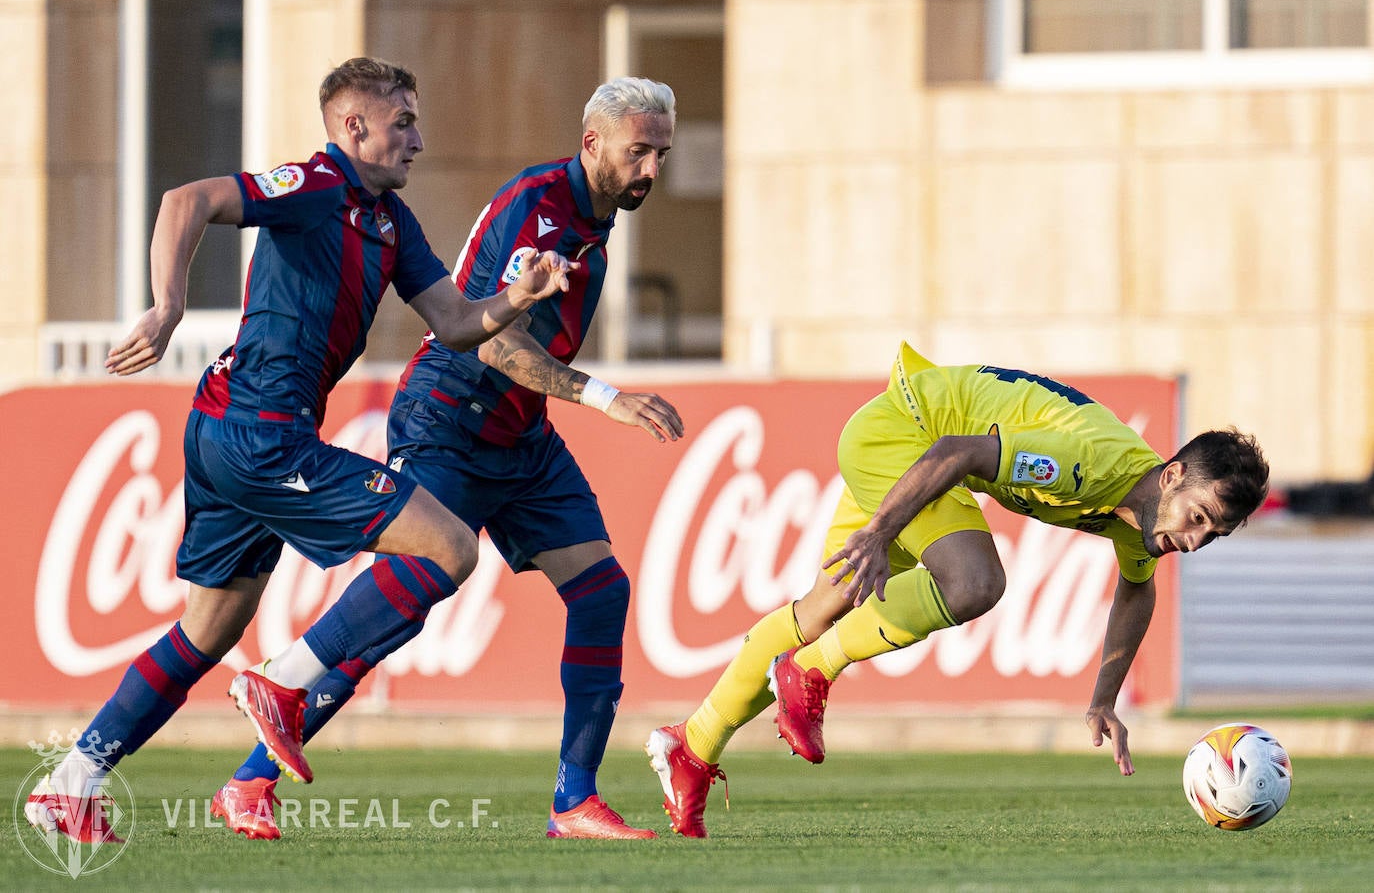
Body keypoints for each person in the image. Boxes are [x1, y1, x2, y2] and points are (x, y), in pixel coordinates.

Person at [24, 57, 576, 845]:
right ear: (354, 128)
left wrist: (519, 297)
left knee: (203, 633)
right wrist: (167, 305)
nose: (418, 139)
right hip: (259, 432)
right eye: (403, 122)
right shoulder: (316, 184)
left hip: (227, 428)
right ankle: (284, 681)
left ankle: (70, 783)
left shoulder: (389, 222)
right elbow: (188, 199)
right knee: (451, 547)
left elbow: (455, 322)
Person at [211, 77, 681, 841]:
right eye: (639, 153)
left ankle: (574, 801)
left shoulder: (595, 212)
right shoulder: (539, 206)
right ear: (592, 143)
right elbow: (493, 341)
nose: (652, 171)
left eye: (660, 154)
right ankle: (263, 733)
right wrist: (604, 397)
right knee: (413, 593)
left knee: (600, 593)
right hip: (451, 418)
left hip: (520, 439)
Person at [646, 341, 1269, 838]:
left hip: (911, 449)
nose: (1193, 540)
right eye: (1198, 516)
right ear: (1174, 473)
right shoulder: (1093, 465)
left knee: (819, 609)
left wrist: (1104, 698)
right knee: (975, 581)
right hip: (905, 440)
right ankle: (810, 671)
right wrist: (882, 530)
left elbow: (1137, 593)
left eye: (1212, 533)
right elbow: (960, 450)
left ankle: (693, 746)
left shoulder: (1146, 521)